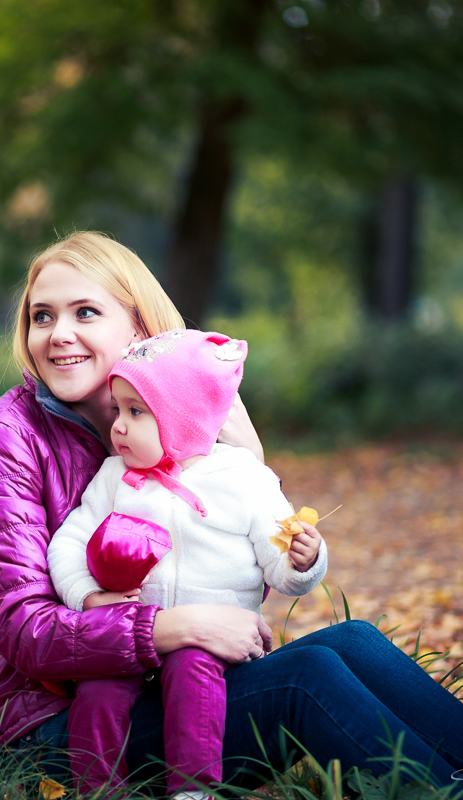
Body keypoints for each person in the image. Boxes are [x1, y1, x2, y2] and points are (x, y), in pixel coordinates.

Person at [0, 231, 463, 799]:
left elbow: (233, 568)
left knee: (356, 642)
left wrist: (248, 459)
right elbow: (26, 632)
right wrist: (176, 626)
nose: (58, 333)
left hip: (178, 688)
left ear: (138, 327)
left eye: (85, 312)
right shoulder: (4, 443)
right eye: (41, 315)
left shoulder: (174, 416)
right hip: (66, 730)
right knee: (305, 677)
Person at [45, 327, 328, 799]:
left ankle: (193, 789)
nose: (118, 425)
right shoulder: (115, 477)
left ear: (185, 417)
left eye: (137, 412)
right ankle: (98, 790)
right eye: (118, 409)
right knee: (96, 693)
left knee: (193, 675)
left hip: (212, 644)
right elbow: (68, 542)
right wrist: (88, 596)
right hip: (129, 637)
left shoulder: (243, 479)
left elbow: (280, 567)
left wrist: (304, 560)